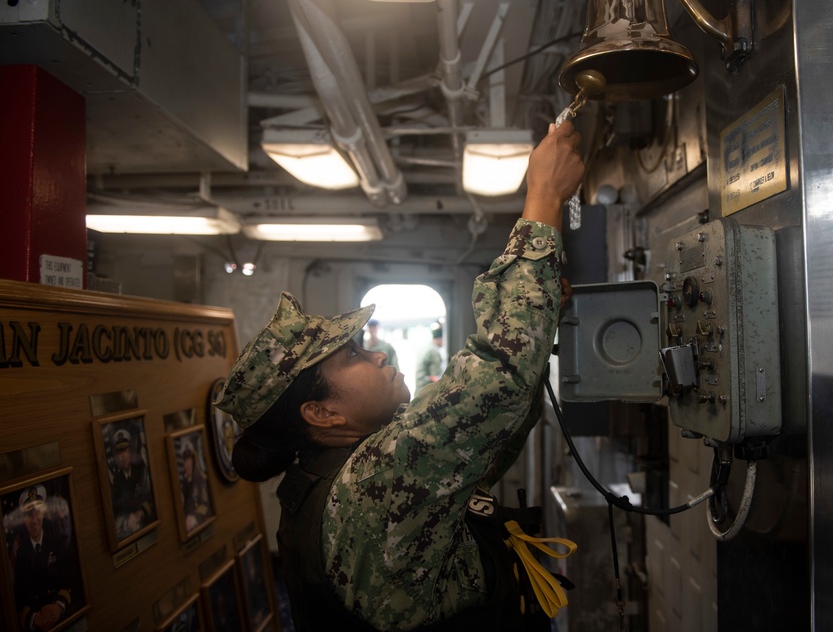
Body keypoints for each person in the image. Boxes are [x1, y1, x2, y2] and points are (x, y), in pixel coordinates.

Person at [215, 121, 584, 631]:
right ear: (321, 412)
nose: (379, 356)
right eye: (353, 357)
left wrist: (535, 321)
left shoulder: (333, 476)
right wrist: (544, 195)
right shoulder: (368, 486)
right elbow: (498, 374)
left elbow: (482, 441)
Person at [10, 485, 81, 632]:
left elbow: (71, 581)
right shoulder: (21, 555)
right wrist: (34, 618)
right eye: (29, 514)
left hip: (63, 620)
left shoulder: (57, 544)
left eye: (38, 512)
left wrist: (58, 606)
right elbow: (19, 600)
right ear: (23, 519)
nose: (34, 519)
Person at [109, 427, 155, 540]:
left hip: (145, 523)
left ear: (130, 451)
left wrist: (139, 513)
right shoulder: (116, 480)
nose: (123, 456)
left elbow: (151, 499)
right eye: (119, 452)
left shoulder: (141, 471)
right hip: (126, 526)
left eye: (125, 450)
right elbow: (116, 506)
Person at [179, 440, 212, 531]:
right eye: (185, 460)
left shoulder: (199, 480)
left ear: (194, 461)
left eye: (190, 460)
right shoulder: (184, 483)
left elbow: (205, 505)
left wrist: (195, 517)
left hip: (199, 523)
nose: (188, 464)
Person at [414, 321, 444, 391]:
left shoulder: (426, 347)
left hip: (420, 391)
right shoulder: (433, 351)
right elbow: (436, 377)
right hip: (426, 393)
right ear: (440, 338)